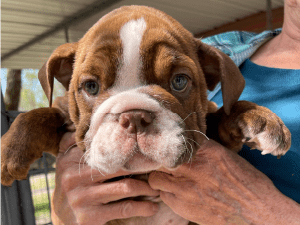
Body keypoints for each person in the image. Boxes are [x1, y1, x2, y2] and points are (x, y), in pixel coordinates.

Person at [51, 0, 300, 224]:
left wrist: (266, 212)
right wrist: (67, 212)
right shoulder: (195, 46)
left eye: (178, 82)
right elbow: (70, 195)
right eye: (93, 86)